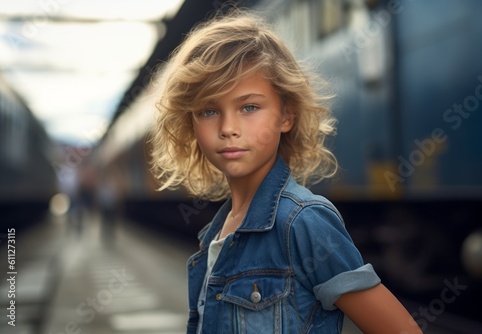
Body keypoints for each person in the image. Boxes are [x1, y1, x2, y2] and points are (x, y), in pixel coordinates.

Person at [150, 9, 422, 334]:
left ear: (286, 116)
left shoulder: (304, 221)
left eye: (249, 107)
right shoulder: (216, 233)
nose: (228, 128)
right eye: (209, 111)